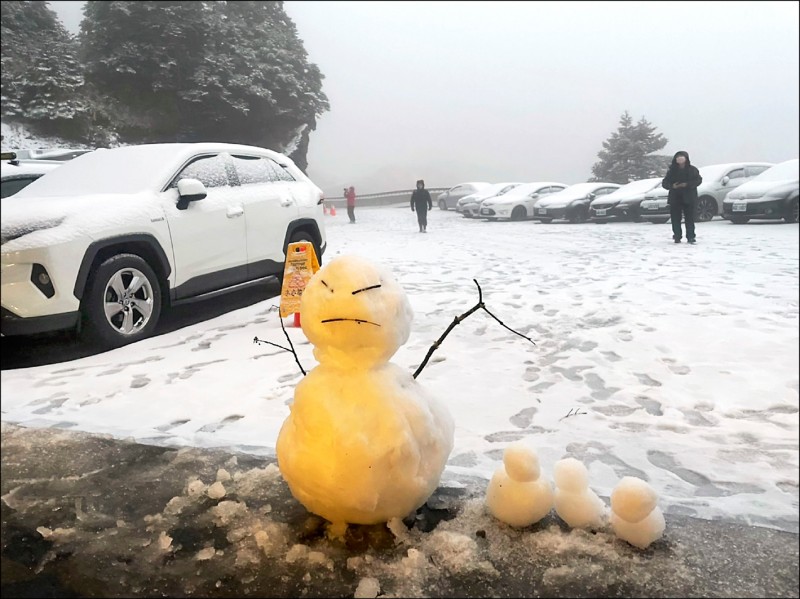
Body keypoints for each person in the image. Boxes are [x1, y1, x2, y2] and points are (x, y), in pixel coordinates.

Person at [661, 151, 702, 244]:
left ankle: (691, 236)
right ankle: (677, 236)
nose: (680, 159)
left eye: (682, 157)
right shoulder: (672, 170)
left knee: (690, 218)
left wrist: (687, 184)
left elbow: (698, 180)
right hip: (675, 198)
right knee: (675, 218)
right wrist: (673, 186)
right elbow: (665, 183)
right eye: (678, 157)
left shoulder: (692, 170)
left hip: (689, 197)